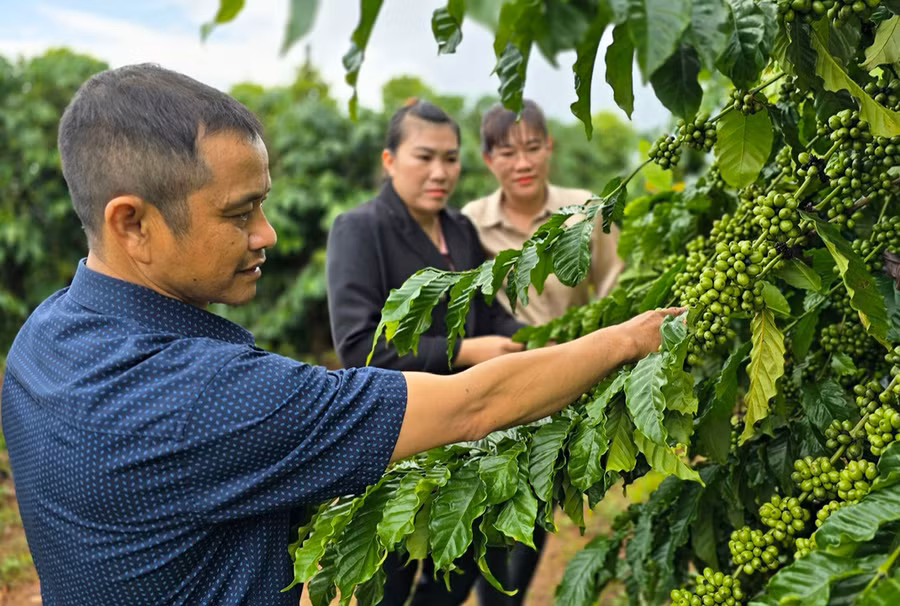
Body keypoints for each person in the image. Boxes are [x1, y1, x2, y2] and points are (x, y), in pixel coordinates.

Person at [0, 64, 678, 606]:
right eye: (240, 213)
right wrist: (623, 342)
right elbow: (475, 406)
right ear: (133, 224)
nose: (266, 234)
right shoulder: (206, 396)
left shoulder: (41, 339)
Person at [326, 99, 525, 606]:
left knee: (457, 575)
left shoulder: (459, 229)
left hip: (473, 438)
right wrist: (466, 350)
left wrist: (534, 341)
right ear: (390, 160)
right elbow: (359, 350)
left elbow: (489, 308)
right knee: (392, 581)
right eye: (424, 157)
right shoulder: (360, 229)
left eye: (452, 158)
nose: (441, 172)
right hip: (402, 445)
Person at [462, 100, 626, 605]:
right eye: (508, 153)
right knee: (490, 510)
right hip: (500, 385)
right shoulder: (471, 223)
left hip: (569, 385)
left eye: (533, 148)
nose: (523, 162)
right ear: (489, 161)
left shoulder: (586, 213)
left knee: (537, 505)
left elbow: (613, 287)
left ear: (550, 148)